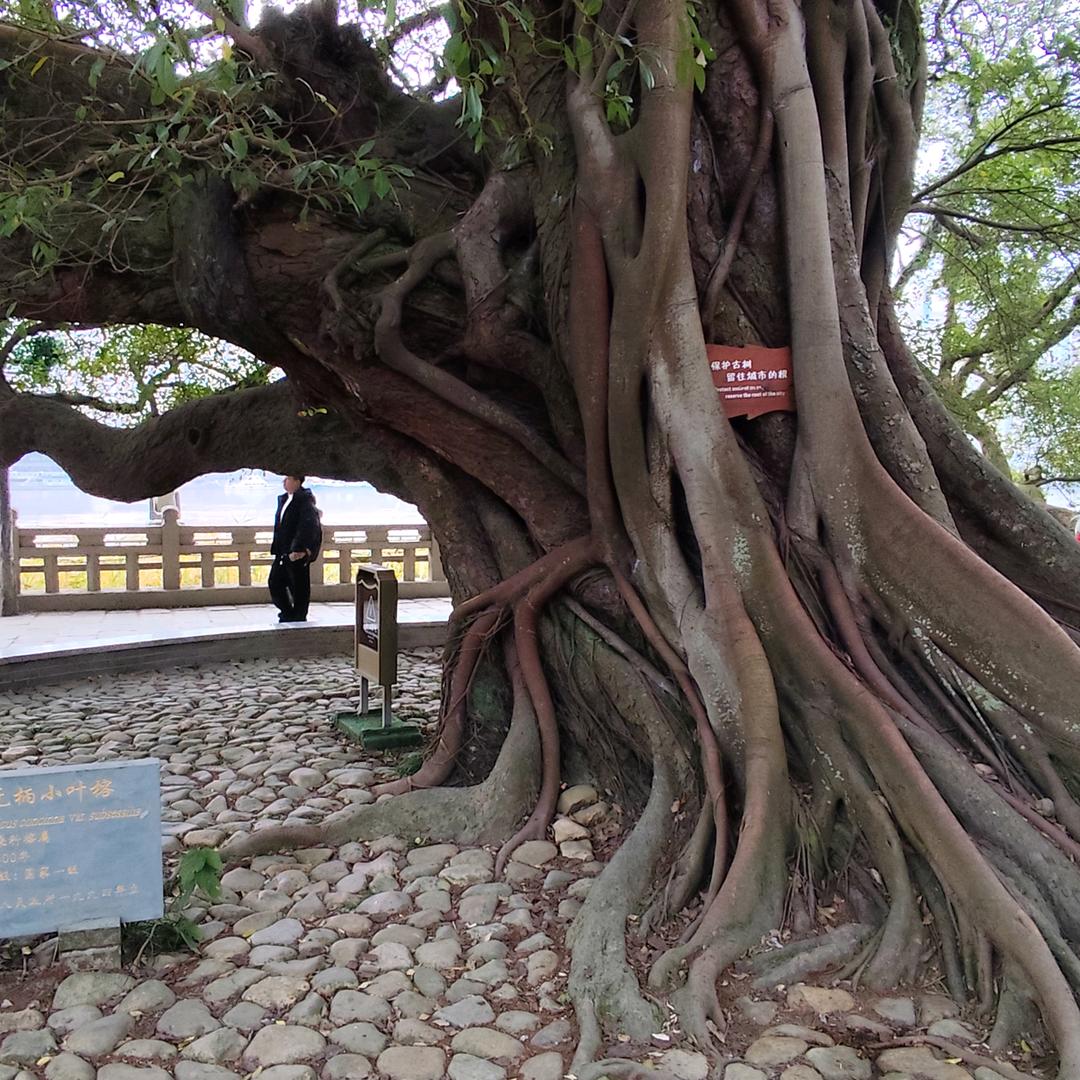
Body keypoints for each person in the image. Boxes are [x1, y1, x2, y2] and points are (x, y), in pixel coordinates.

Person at [268, 475, 322, 623]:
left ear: (297, 481)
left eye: (288, 479)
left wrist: (300, 548)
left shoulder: (305, 500)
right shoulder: (284, 499)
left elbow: (308, 525)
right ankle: (287, 612)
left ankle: (298, 616)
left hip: (296, 553)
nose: (284, 482)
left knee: (298, 587)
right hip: (282, 551)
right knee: (275, 582)